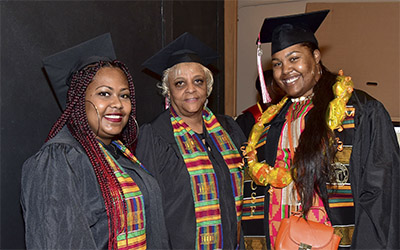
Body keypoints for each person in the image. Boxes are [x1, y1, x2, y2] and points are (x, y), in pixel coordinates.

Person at [242, 10, 400, 249]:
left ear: (315, 56)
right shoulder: (270, 121)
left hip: (333, 241)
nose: (285, 71)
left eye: (294, 58)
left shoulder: (360, 111)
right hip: (280, 238)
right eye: (277, 63)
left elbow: (381, 194)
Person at [20, 33, 168, 250]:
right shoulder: (60, 160)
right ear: (79, 100)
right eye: (104, 93)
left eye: (124, 95)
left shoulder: (118, 153)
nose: (117, 103)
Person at [136, 32, 246, 249]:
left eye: (198, 81)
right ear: (168, 91)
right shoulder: (155, 136)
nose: (190, 89)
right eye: (179, 83)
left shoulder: (228, 130)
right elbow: (149, 211)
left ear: (208, 87)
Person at [236, 69, 285, 138]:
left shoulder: (288, 112)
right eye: (278, 85)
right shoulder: (247, 120)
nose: (284, 88)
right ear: (266, 89)